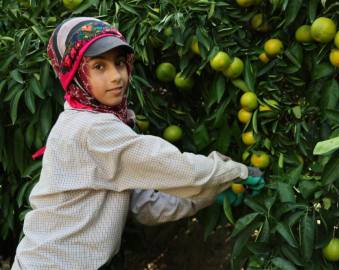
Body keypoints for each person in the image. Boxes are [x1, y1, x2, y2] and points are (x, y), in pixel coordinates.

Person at [11, 17, 265, 270]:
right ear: (74, 74)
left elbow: (144, 205)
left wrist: (207, 197)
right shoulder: (92, 128)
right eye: (98, 66)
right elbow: (177, 169)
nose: (116, 77)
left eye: (119, 63)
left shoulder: (90, 121)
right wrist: (236, 172)